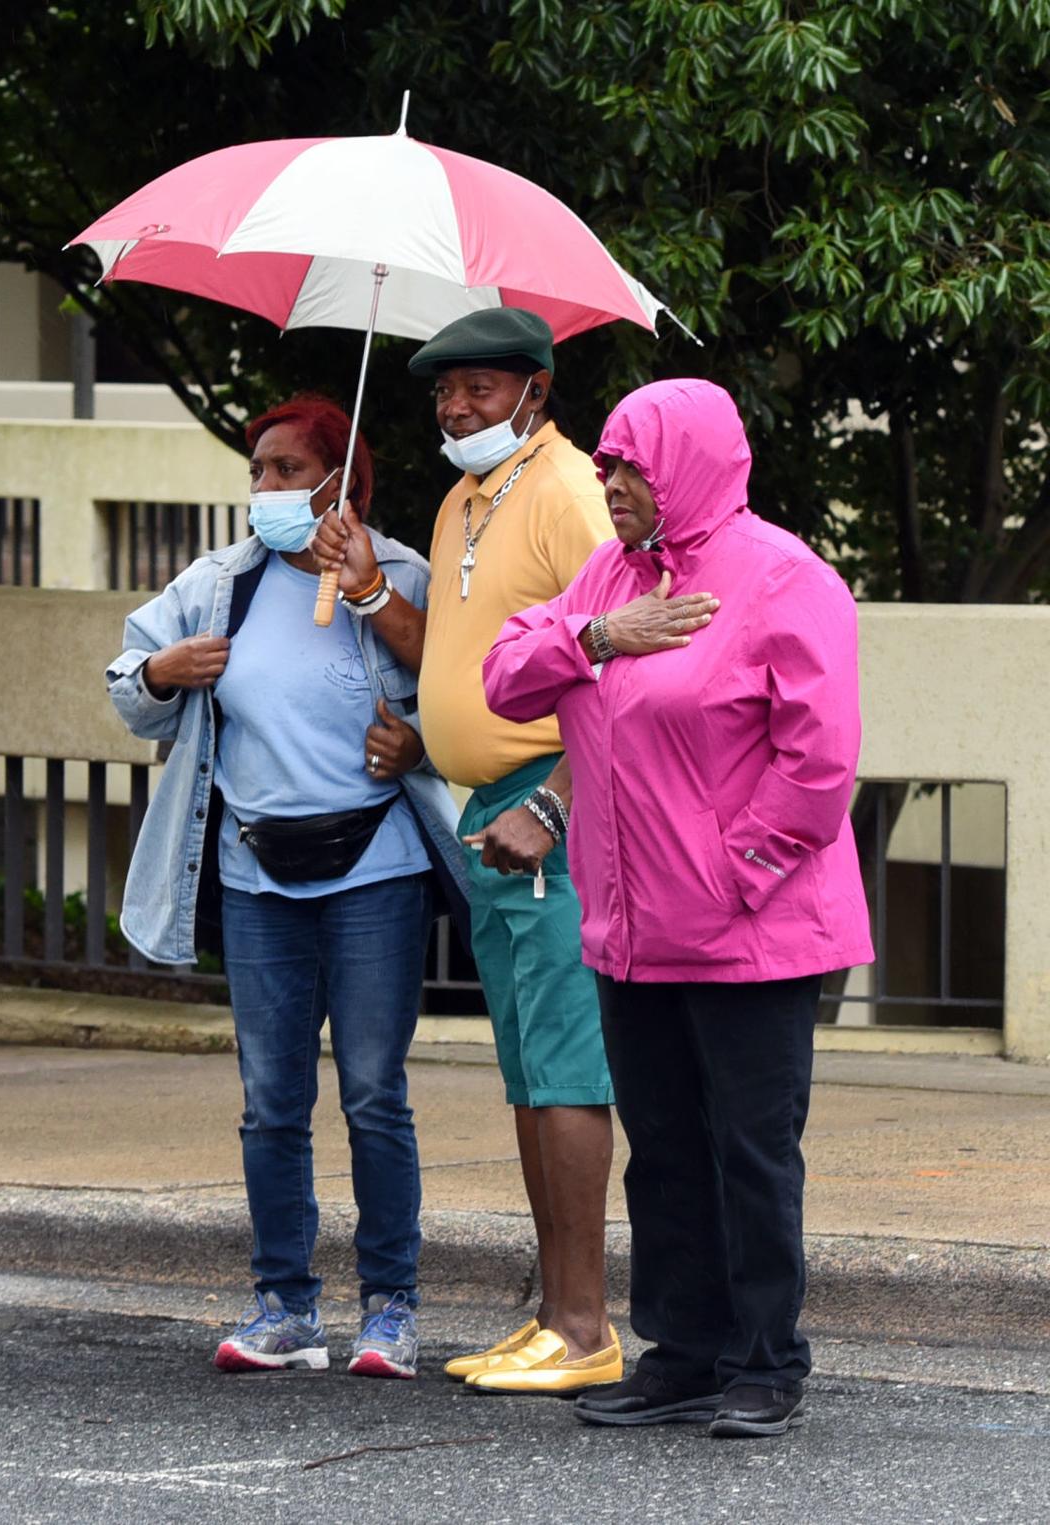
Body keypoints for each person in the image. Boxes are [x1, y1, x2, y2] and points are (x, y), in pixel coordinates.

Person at [317, 312, 716, 1395]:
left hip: (553, 804)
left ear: (536, 391)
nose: (457, 409)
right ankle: (554, 1316)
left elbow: (637, 647)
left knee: (570, 1062)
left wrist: (553, 797)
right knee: (531, 1068)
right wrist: (365, 590)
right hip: (484, 806)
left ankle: (585, 1328)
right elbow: (455, 655)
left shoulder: (570, 490)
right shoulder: (464, 499)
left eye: (482, 391)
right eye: (446, 394)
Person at [482, 378, 874, 1436]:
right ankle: (684, 1351)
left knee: (748, 1148)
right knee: (661, 1146)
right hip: (632, 929)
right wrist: (601, 636)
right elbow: (506, 677)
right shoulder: (612, 579)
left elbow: (819, 760)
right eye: (604, 464)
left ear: (688, 466)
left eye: (629, 466)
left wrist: (737, 874)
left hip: (754, 930)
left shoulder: (787, 579)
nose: (609, 483)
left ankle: (765, 1359)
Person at [106, 396, 469, 1381]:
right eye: (255, 470)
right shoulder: (219, 583)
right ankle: (284, 1307)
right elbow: (126, 680)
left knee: (373, 1093)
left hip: (375, 871)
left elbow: (466, 690)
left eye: (282, 469)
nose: (262, 488)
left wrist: (419, 739)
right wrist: (167, 671)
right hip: (257, 872)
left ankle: (390, 1309)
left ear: (341, 482)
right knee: (271, 1099)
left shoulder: (399, 575)